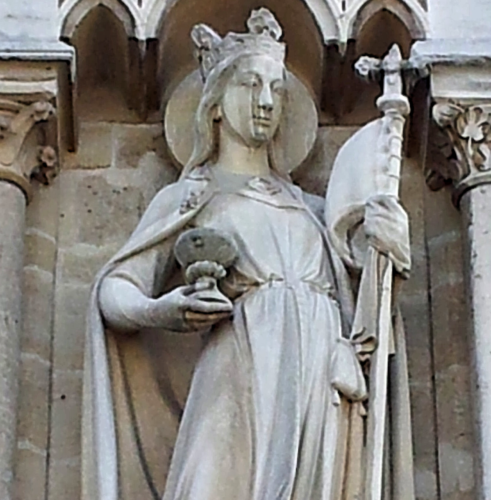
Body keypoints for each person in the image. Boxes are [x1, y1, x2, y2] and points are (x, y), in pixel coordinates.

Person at [82, 9, 369, 500]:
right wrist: (161, 311)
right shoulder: (192, 197)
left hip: (319, 372)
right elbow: (115, 289)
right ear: (216, 103)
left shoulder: (315, 210)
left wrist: (385, 238)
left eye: (276, 90)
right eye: (250, 85)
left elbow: (369, 303)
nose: (265, 102)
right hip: (240, 366)